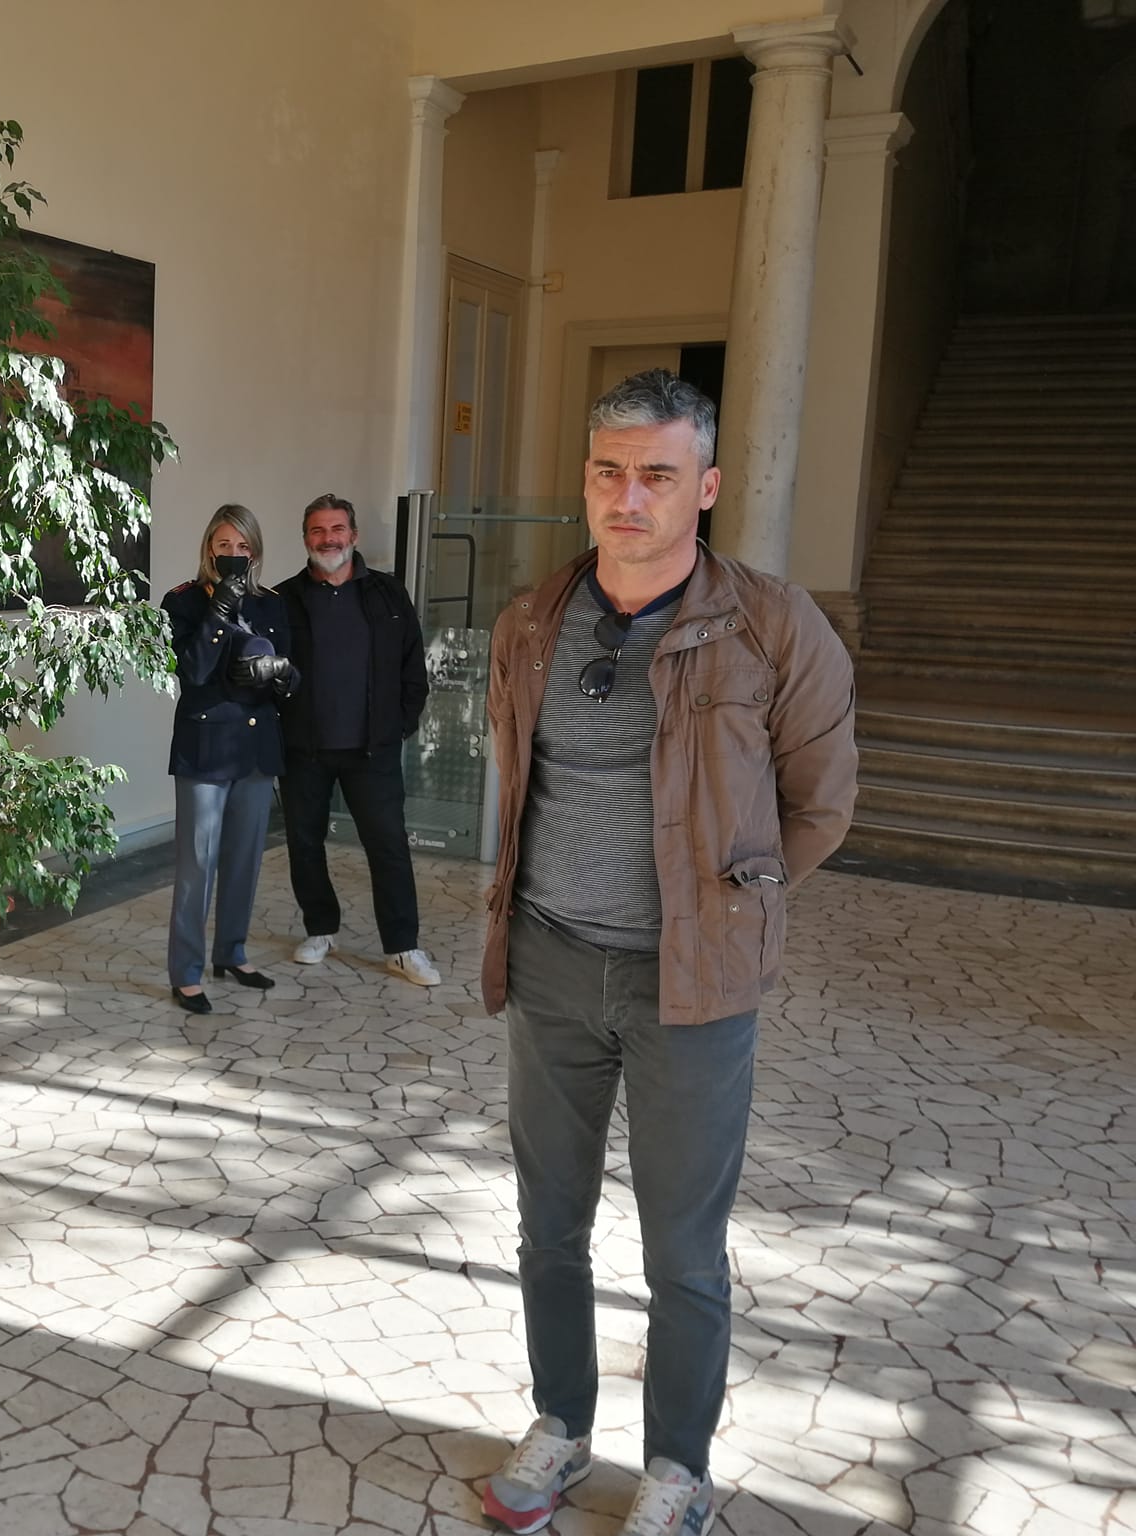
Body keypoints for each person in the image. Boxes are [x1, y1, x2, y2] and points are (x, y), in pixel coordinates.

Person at [477, 370, 856, 1535]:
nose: (626, 497)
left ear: (705, 486)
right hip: (549, 964)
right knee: (547, 1224)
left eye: (655, 473)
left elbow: (819, 803)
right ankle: (559, 1422)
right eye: (607, 471)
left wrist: (723, 913)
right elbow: (520, 774)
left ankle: (676, 1467)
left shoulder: (770, 627)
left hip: (689, 989)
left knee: (681, 1250)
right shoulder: (532, 621)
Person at [275, 493, 439, 986]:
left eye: (337, 529)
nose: (329, 539)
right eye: (318, 531)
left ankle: (403, 947)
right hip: (304, 748)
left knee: (388, 845)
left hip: (373, 748)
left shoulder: (388, 593)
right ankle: (320, 929)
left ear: (354, 535)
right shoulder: (283, 599)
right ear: (306, 538)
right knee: (305, 843)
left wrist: (400, 725)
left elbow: (413, 666)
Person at [160, 505, 299, 1014]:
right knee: (197, 865)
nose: (234, 554)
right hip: (205, 749)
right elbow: (192, 672)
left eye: (243, 547)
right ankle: (186, 973)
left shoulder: (272, 603)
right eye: (224, 546)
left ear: (255, 552)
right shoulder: (182, 601)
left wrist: (279, 672)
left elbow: (293, 677)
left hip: (257, 749)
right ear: (209, 550)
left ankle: (232, 953)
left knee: (244, 860)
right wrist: (220, 609)